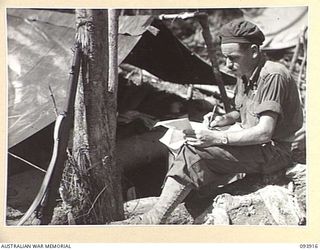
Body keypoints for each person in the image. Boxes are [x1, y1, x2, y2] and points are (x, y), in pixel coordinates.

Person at [113, 19, 303, 224]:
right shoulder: (245, 73)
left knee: (194, 151)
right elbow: (242, 112)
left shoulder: (272, 76)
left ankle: (154, 219)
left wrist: (216, 137)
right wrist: (222, 119)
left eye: (233, 58)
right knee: (181, 143)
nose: (228, 65)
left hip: (273, 151)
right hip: (256, 145)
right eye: (225, 58)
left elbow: (264, 131)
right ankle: (195, 200)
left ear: (254, 51)